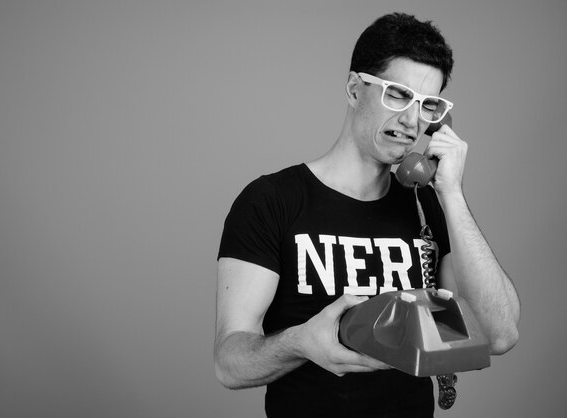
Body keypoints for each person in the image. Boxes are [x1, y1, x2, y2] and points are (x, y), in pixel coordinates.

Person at [214, 12, 520, 417]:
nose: (412, 121)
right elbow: (229, 363)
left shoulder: (427, 207)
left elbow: (498, 335)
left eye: (428, 105)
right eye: (397, 95)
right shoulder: (272, 201)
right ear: (356, 89)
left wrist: (451, 193)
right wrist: (300, 342)